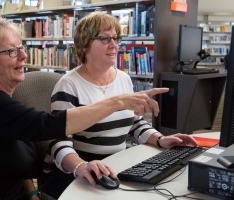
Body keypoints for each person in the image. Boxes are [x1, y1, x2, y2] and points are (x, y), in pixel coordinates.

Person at [0, 15, 168, 200]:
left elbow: (15, 162)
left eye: (21, 48)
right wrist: (118, 102)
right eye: (11, 51)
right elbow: (49, 126)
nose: (24, 55)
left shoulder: (7, 105)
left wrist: (32, 192)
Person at [40, 11, 198, 199]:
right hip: (74, 172)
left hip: (115, 165)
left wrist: (160, 139)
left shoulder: (122, 78)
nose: (114, 45)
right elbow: (58, 142)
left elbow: (136, 124)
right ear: (84, 45)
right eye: (104, 39)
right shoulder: (69, 85)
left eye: (116, 38)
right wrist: (81, 166)